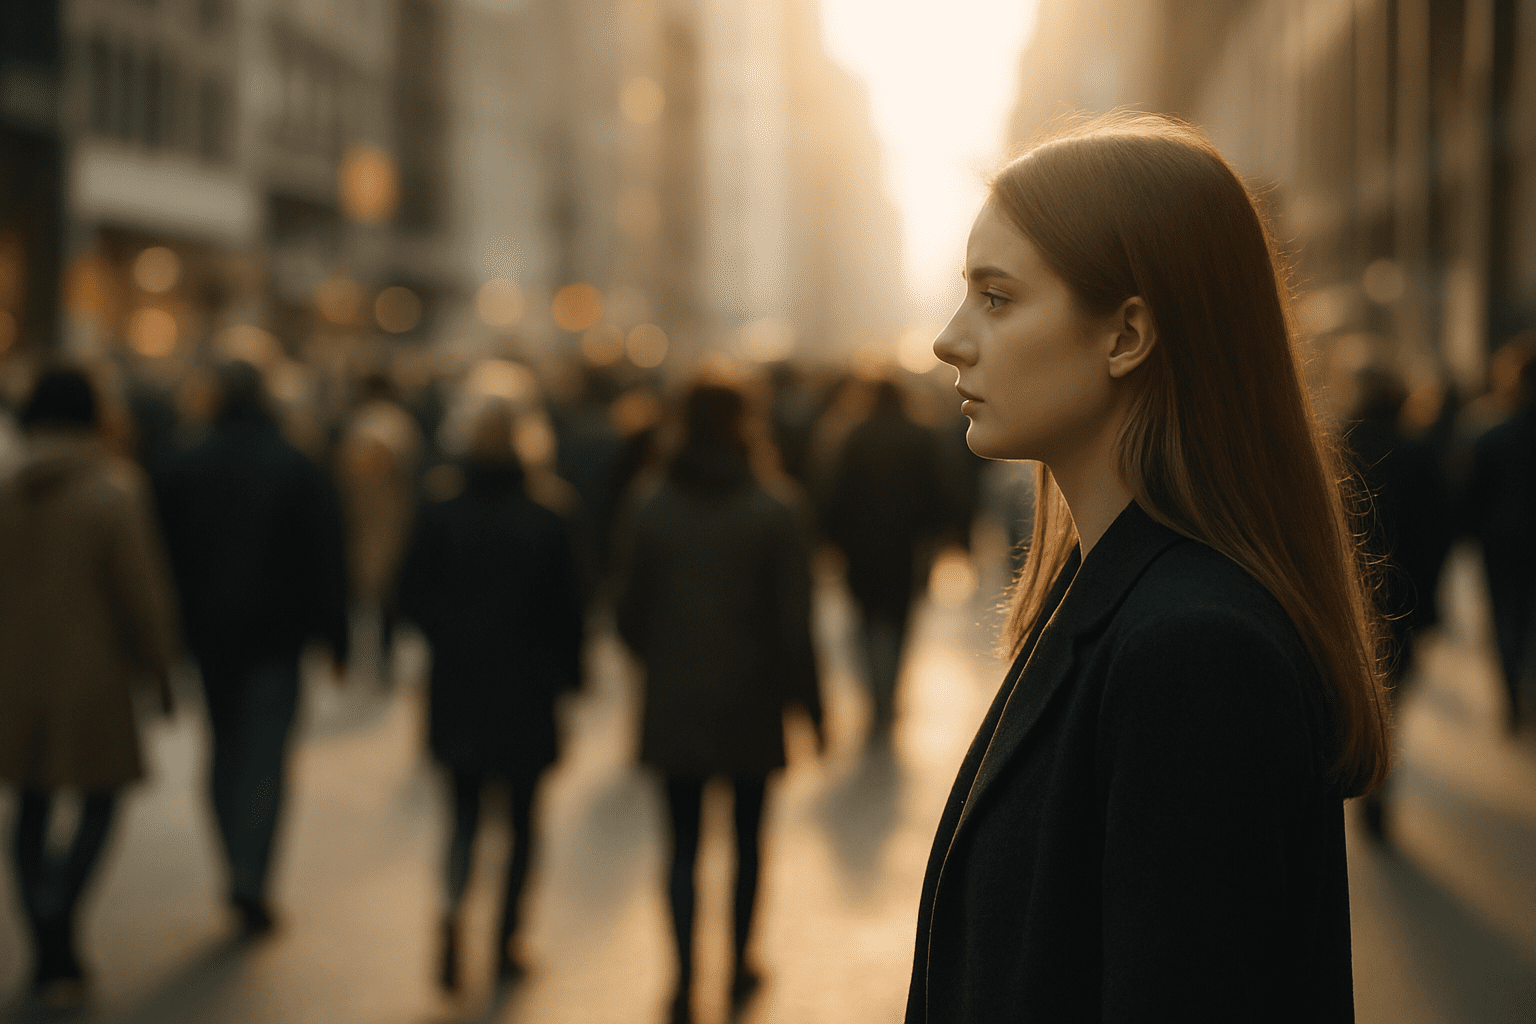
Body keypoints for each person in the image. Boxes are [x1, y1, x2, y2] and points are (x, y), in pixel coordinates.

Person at [912, 114, 1391, 1022]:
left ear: (1127, 335)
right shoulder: (1108, 597)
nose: (950, 339)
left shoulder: (1193, 649)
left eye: (998, 297)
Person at [616, 382, 824, 1024]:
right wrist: (813, 709)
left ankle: (682, 978)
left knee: (679, 847)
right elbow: (796, 625)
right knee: (747, 843)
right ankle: (738, 965)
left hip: (675, 700)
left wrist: (666, 658)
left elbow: (626, 614)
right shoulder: (775, 507)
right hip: (752, 702)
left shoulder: (651, 504)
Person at [0, 368, 179, 1001]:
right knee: (100, 798)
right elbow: (142, 594)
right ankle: (61, 924)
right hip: (93, 678)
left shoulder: (6, 488)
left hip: (14, 675)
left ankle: (47, 941)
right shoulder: (114, 490)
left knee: (30, 804)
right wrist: (161, 671)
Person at [155, 359, 349, 936]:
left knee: (225, 748)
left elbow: (163, 557)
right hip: (278, 637)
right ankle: (252, 872)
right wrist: (336, 634)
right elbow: (326, 555)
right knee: (265, 757)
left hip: (211, 636)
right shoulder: (297, 462)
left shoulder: (184, 462)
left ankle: (236, 859)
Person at [397, 399, 584, 992]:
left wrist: (449, 637)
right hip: (527, 690)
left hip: (460, 685)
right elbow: (571, 610)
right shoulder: (550, 514)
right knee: (523, 822)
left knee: (463, 817)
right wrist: (569, 678)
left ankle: (453, 915)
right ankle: (507, 939)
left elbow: (409, 596)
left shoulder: (441, 508)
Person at [824, 378, 947, 741]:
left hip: (861, 550)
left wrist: (832, 540)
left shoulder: (853, 436)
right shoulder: (920, 436)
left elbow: (834, 492)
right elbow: (937, 491)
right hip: (905, 549)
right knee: (899, 620)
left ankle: (874, 697)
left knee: (864, 621)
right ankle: (889, 693)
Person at [1464, 349, 1536, 732]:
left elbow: (1470, 495)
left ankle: (1512, 697)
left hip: (1501, 542)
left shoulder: (1491, 432)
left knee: (1505, 618)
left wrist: (1468, 534)